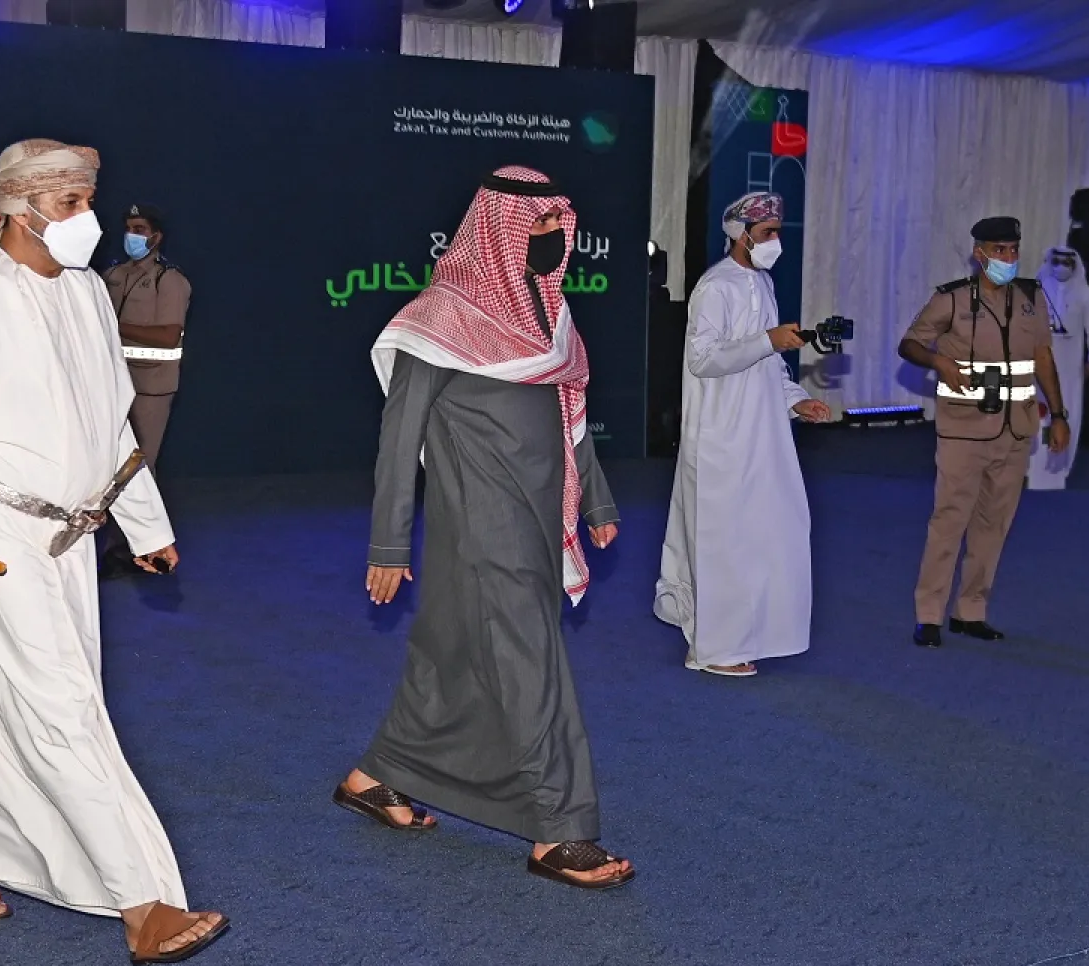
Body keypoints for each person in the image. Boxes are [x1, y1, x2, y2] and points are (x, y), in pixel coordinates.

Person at [0, 139, 227, 964]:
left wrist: (145, 522)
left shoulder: (82, 294)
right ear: (20, 205)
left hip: (72, 541)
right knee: (66, 709)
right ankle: (142, 900)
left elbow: (110, 423)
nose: (90, 219)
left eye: (88, 199)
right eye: (72, 202)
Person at [332, 166, 633, 891]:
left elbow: (570, 422)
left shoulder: (546, 319)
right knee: (531, 660)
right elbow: (398, 441)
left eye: (555, 223)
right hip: (481, 524)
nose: (549, 236)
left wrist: (596, 500)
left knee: (454, 652)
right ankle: (559, 829)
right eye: (532, 224)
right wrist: (388, 544)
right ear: (495, 228)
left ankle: (376, 774)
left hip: (540, 511)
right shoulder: (435, 321)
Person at [652, 192, 830, 677]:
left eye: (778, 232)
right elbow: (704, 359)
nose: (776, 241)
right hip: (719, 437)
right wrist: (768, 340)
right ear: (742, 233)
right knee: (723, 541)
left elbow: (767, 363)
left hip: (763, 435)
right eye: (768, 232)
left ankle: (752, 635)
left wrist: (796, 399)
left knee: (770, 531)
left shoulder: (764, 283)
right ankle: (710, 649)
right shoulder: (716, 287)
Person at [899, 216, 1069, 647]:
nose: (1008, 258)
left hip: (1017, 428)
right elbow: (910, 343)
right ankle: (929, 616)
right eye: (999, 250)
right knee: (949, 520)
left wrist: (1060, 414)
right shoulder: (952, 300)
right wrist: (939, 362)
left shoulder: (1032, 297)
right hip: (964, 427)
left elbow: (1043, 358)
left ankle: (971, 610)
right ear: (980, 254)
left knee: (994, 523)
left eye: (1013, 250)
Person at [99, 204, 191, 576]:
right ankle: (110, 546)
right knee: (108, 465)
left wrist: (111, 328)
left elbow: (169, 334)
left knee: (138, 468)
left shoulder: (170, 281)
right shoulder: (113, 275)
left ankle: (134, 547)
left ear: (156, 236)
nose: (132, 236)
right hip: (111, 382)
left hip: (151, 387)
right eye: (128, 228)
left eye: (140, 229)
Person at [1027, 246, 1089, 491]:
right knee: (1039, 410)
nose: (1061, 267)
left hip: (1070, 366)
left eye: (1066, 262)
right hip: (1042, 361)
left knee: (1068, 410)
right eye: (1056, 261)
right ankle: (1033, 465)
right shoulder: (1039, 288)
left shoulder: (1084, 292)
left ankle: (1061, 465)